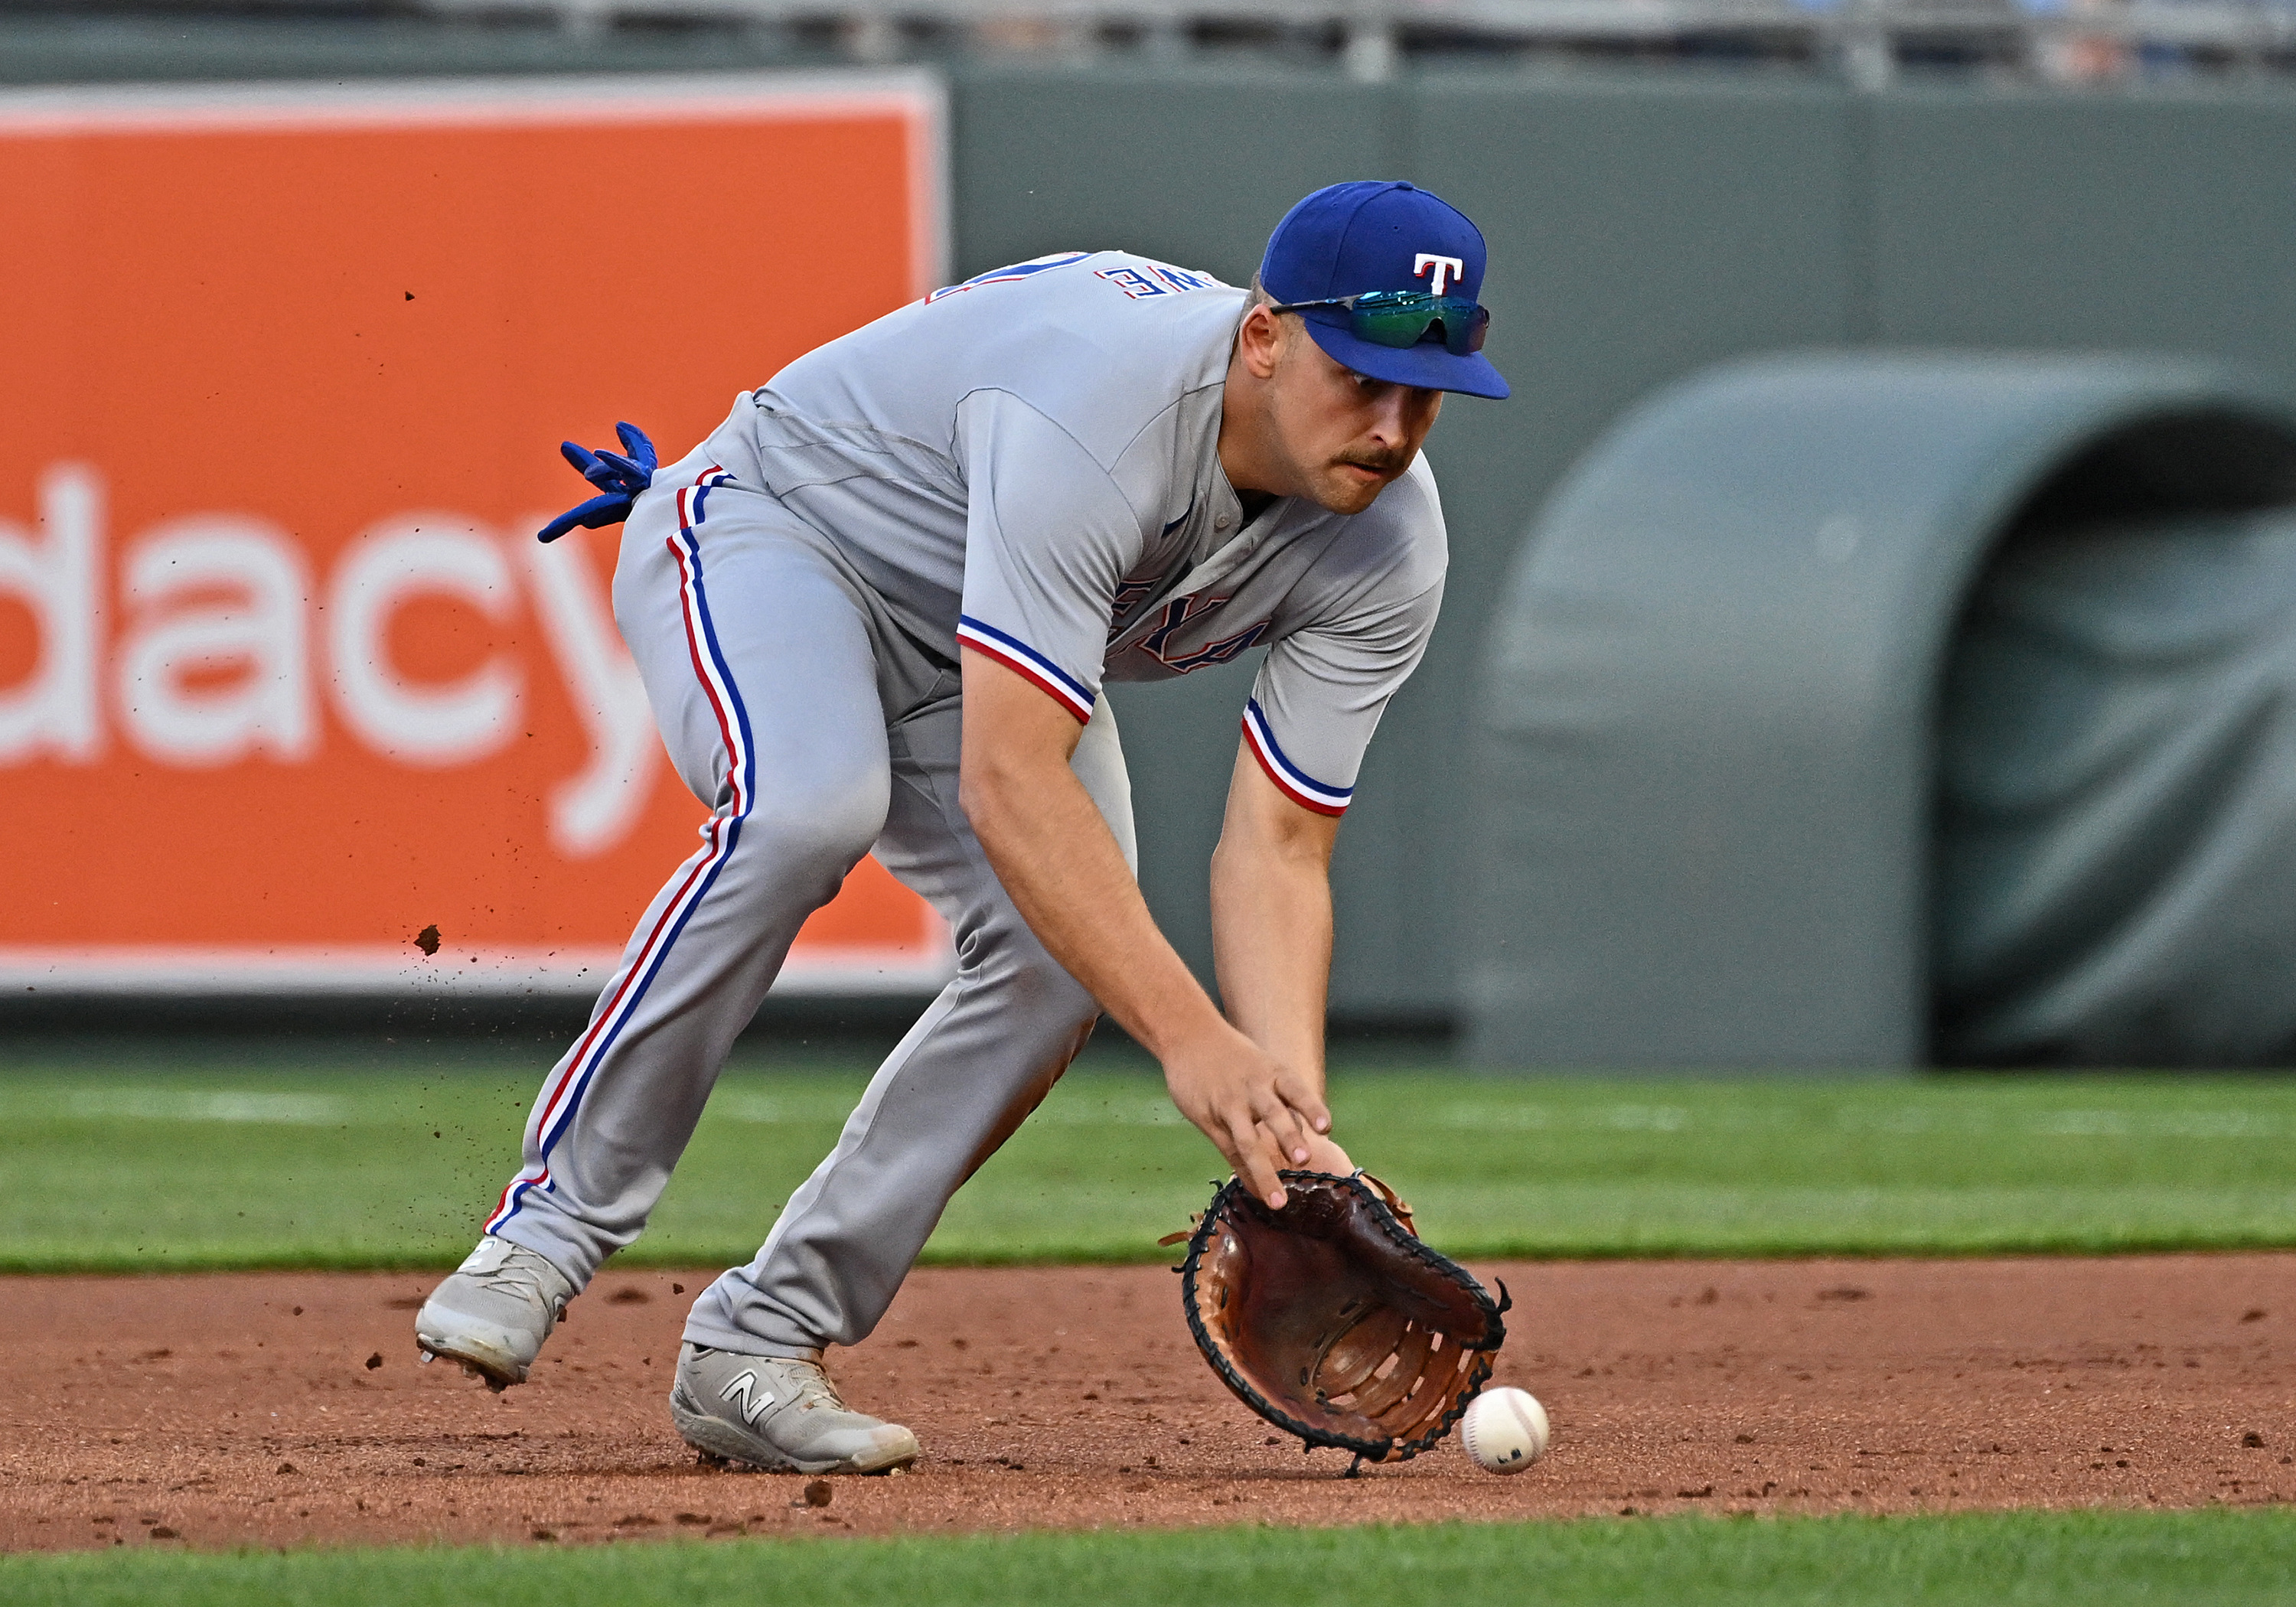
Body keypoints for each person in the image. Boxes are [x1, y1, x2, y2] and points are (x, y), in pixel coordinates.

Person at [414, 180, 1509, 1475]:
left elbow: (1278, 846)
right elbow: (1010, 784)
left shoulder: (1391, 547)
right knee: (805, 808)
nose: (1391, 428)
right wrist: (1191, 1040)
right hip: (780, 529)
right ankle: (546, 1230)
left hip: (980, 646)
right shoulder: (1104, 411)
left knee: (1056, 970)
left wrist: (1296, 1132)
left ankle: (762, 1338)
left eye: (1425, 393)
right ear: (1263, 337)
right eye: (1361, 376)